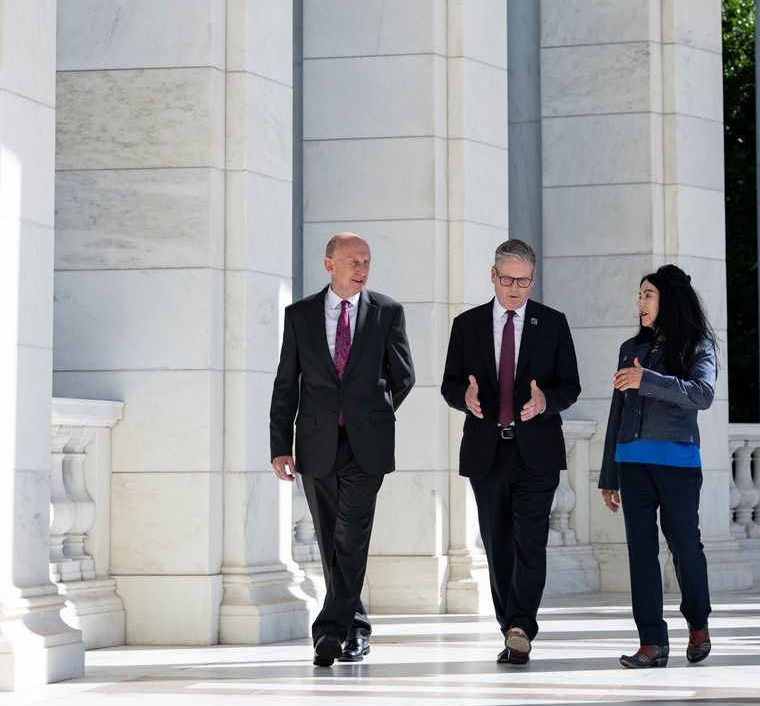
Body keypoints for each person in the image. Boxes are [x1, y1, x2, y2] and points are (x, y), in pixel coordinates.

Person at [270, 232, 414, 667]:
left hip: (365, 447)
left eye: (366, 261)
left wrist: (372, 413)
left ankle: (329, 632)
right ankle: (357, 627)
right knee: (332, 541)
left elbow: (403, 375)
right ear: (329, 264)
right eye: (353, 261)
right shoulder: (300, 315)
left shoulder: (387, 311)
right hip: (315, 444)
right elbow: (285, 383)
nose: (362, 269)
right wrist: (280, 445)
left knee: (352, 537)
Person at [441, 239, 580, 665]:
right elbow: (448, 384)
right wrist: (464, 396)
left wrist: (545, 402)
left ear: (533, 279)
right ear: (493, 276)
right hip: (487, 451)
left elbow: (569, 386)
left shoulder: (553, 323)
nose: (515, 288)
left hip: (536, 452)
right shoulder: (467, 325)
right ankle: (510, 627)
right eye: (508, 279)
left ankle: (522, 625)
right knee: (498, 544)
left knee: (530, 542)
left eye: (523, 281)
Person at [599, 263, 717, 668]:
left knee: (685, 546)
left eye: (647, 295)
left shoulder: (698, 346)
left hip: (678, 463)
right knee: (641, 553)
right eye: (639, 295)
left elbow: (702, 394)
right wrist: (609, 474)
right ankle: (652, 641)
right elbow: (617, 411)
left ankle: (698, 623)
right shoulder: (629, 349)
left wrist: (647, 379)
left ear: (668, 300)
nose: (640, 303)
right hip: (632, 462)